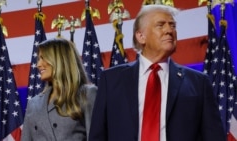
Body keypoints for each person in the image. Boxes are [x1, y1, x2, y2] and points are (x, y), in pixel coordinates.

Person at [88, 4, 226, 141]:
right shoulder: (111, 79)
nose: (169, 30)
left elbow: (214, 136)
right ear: (141, 36)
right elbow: (98, 135)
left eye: (172, 25)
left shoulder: (198, 82)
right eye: (160, 25)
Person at [21, 38, 97, 141]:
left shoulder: (86, 94)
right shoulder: (33, 104)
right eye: (39, 59)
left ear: (59, 59)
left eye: (43, 58)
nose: (38, 65)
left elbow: (97, 137)